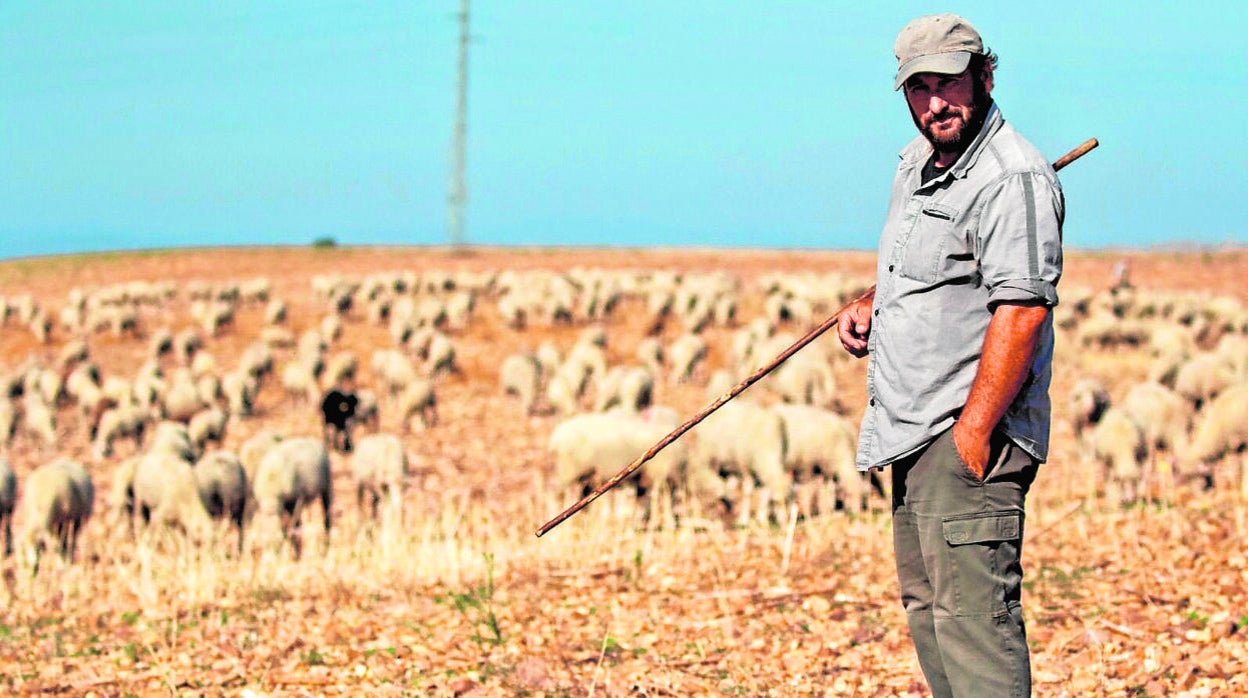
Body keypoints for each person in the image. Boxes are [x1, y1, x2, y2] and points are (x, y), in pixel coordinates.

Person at [835, 14, 1064, 698]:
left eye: (951, 84)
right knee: (934, 623)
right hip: (911, 432)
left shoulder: (1011, 178)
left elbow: (1021, 311)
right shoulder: (917, 164)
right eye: (920, 87)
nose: (936, 103)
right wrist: (874, 302)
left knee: (976, 634)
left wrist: (971, 436)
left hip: (964, 437)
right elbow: (932, 264)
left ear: (985, 76)